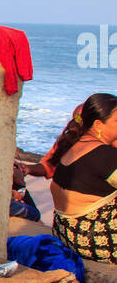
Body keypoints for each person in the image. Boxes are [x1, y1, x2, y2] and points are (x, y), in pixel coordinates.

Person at [50, 93, 117, 262]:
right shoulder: (105, 155)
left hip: (65, 234)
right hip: (93, 240)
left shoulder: (74, 146)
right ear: (98, 125)